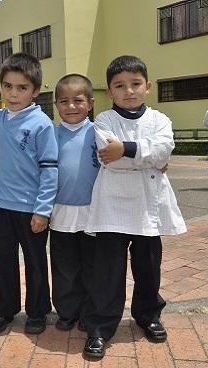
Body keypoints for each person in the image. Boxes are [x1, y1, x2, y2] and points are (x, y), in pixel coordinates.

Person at [84, 55, 187, 358]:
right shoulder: (104, 120)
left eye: (135, 84)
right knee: (108, 272)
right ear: (109, 90)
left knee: (148, 268)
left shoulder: (159, 120)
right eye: (120, 86)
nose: (128, 91)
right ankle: (101, 327)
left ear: (148, 86)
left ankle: (148, 315)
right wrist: (147, 158)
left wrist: (126, 150)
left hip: (148, 207)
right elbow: (110, 158)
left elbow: (164, 149)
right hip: (112, 208)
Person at [0, 53, 58, 335]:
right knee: (3, 261)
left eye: (22, 88)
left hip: (31, 209)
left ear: (36, 91)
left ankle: (37, 312)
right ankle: (3, 311)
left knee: (36, 262)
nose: (13, 94)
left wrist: (43, 210)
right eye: (8, 86)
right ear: (0, 86)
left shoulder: (42, 124)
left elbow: (50, 170)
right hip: (2, 206)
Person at [50, 74, 99, 331]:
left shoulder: (99, 132)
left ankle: (90, 312)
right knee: (64, 267)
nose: (71, 107)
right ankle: (67, 312)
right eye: (64, 101)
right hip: (60, 213)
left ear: (90, 103)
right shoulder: (50, 134)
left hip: (94, 213)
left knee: (92, 266)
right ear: (56, 104)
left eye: (78, 101)